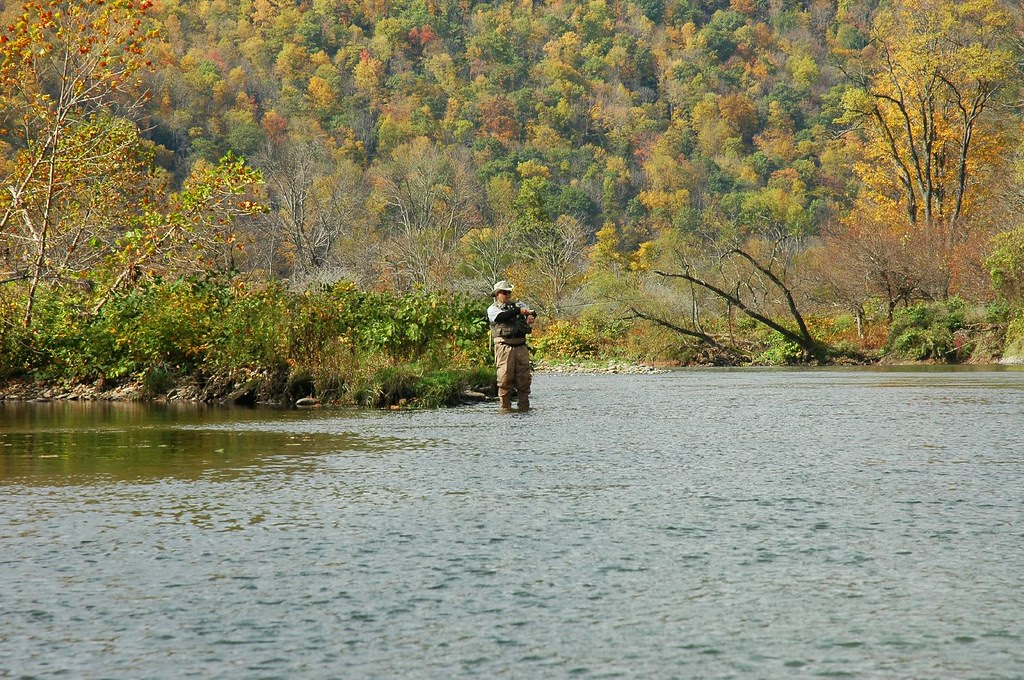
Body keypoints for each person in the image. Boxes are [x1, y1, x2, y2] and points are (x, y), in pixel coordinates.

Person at [487, 280, 536, 410]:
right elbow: (502, 317)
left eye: (509, 292)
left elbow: (532, 312)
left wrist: (531, 316)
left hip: (521, 346)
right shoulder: (492, 309)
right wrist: (519, 311)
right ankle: (505, 409)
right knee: (504, 378)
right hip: (504, 347)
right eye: (504, 293)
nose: (508, 295)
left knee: (524, 379)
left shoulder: (519, 305)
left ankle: (524, 408)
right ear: (497, 294)